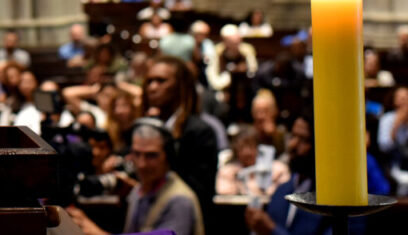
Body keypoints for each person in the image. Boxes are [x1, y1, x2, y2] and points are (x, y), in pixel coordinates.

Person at [67, 119, 204, 235]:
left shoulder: (180, 201)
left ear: (169, 156)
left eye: (151, 155)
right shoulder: (138, 191)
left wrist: (95, 232)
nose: (142, 164)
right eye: (136, 154)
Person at [142, 55, 218, 219]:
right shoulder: (147, 128)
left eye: (161, 81)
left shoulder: (199, 132)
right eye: (149, 81)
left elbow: (200, 193)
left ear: (180, 87)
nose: (152, 87)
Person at [245, 114, 328, 235]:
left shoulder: (328, 200)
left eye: (303, 140)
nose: (292, 145)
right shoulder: (282, 191)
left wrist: (272, 230)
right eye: (293, 136)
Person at [216, 127, 290, 197]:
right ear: (236, 150)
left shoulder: (278, 169)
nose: (247, 152)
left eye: (251, 146)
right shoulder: (227, 171)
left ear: (259, 147)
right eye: (241, 147)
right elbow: (224, 191)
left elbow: (283, 192)